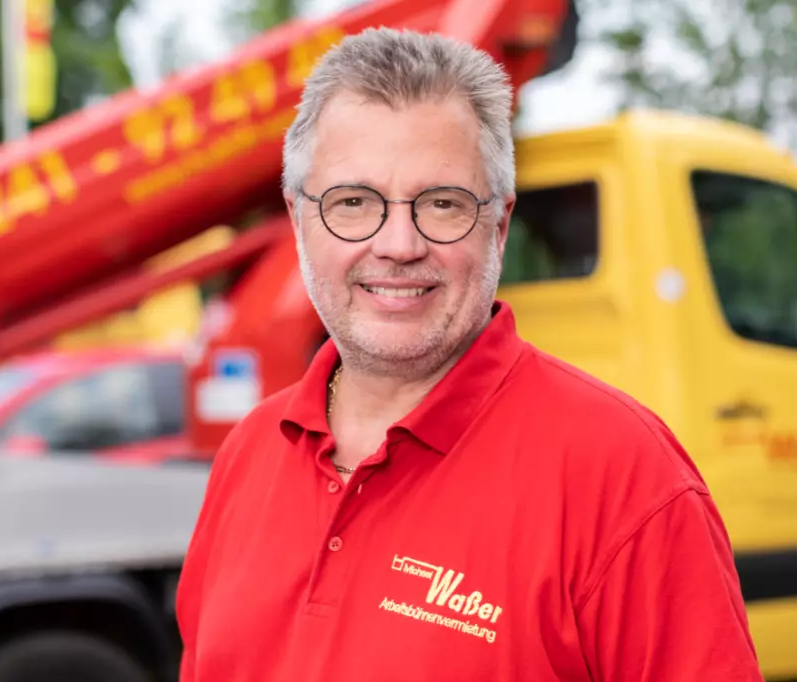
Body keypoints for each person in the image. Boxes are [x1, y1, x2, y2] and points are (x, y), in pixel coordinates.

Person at [175, 27, 763, 682]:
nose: (399, 245)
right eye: (353, 203)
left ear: (499, 227)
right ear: (298, 220)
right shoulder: (248, 455)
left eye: (443, 204)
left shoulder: (626, 478)